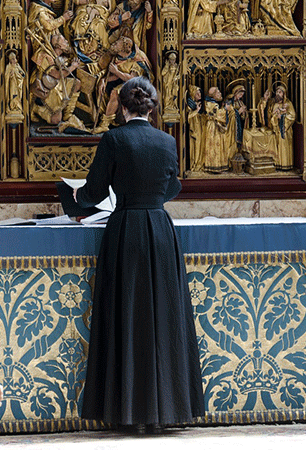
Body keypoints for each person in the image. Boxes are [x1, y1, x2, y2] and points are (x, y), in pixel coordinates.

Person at [75, 76, 204, 432]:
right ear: (151, 106)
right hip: (161, 231)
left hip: (126, 232)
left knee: (126, 314)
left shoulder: (114, 139)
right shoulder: (167, 141)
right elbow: (173, 185)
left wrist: (73, 200)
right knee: (164, 316)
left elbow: (94, 190)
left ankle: (127, 411)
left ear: (122, 106)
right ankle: (167, 409)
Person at [269, 84, 295, 170]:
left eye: (280, 92)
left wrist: (282, 117)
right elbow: (270, 117)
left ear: (284, 94)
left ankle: (285, 164)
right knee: (276, 146)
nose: (277, 94)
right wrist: (275, 117)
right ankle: (277, 164)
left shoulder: (288, 103)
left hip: (285, 130)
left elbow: (292, 116)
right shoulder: (274, 104)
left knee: (284, 146)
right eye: (276, 92)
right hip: (276, 129)